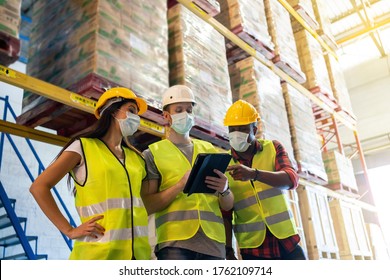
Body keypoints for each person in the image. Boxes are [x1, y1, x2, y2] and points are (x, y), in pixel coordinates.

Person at [30, 87, 151, 260]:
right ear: (112, 111)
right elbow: (39, 187)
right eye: (131, 110)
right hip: (98, 256)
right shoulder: (83, 147)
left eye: (137, 114)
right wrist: (69, 230)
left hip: (137, 256)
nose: (136, 118)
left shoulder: (137, 159)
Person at [141, 85, 234, 260]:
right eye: (179, 110)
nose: (186, 114)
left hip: (214, 243)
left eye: (189, 110)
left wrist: (225, 189)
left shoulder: (209, 150)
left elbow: (228, 205)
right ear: (167, 116)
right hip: (175, 244)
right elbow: (148, 205)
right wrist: (179, 186)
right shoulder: (152, 153)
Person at [222, 99, 306, 260]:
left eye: (243, 129)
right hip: (253, 249)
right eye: (232, 129)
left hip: (286, 242)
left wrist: (254, 174)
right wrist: (228, 250)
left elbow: (291, 179)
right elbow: (226, 213)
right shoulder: (224, 163)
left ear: (255, 128)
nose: (237, 134)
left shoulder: (273, 148)